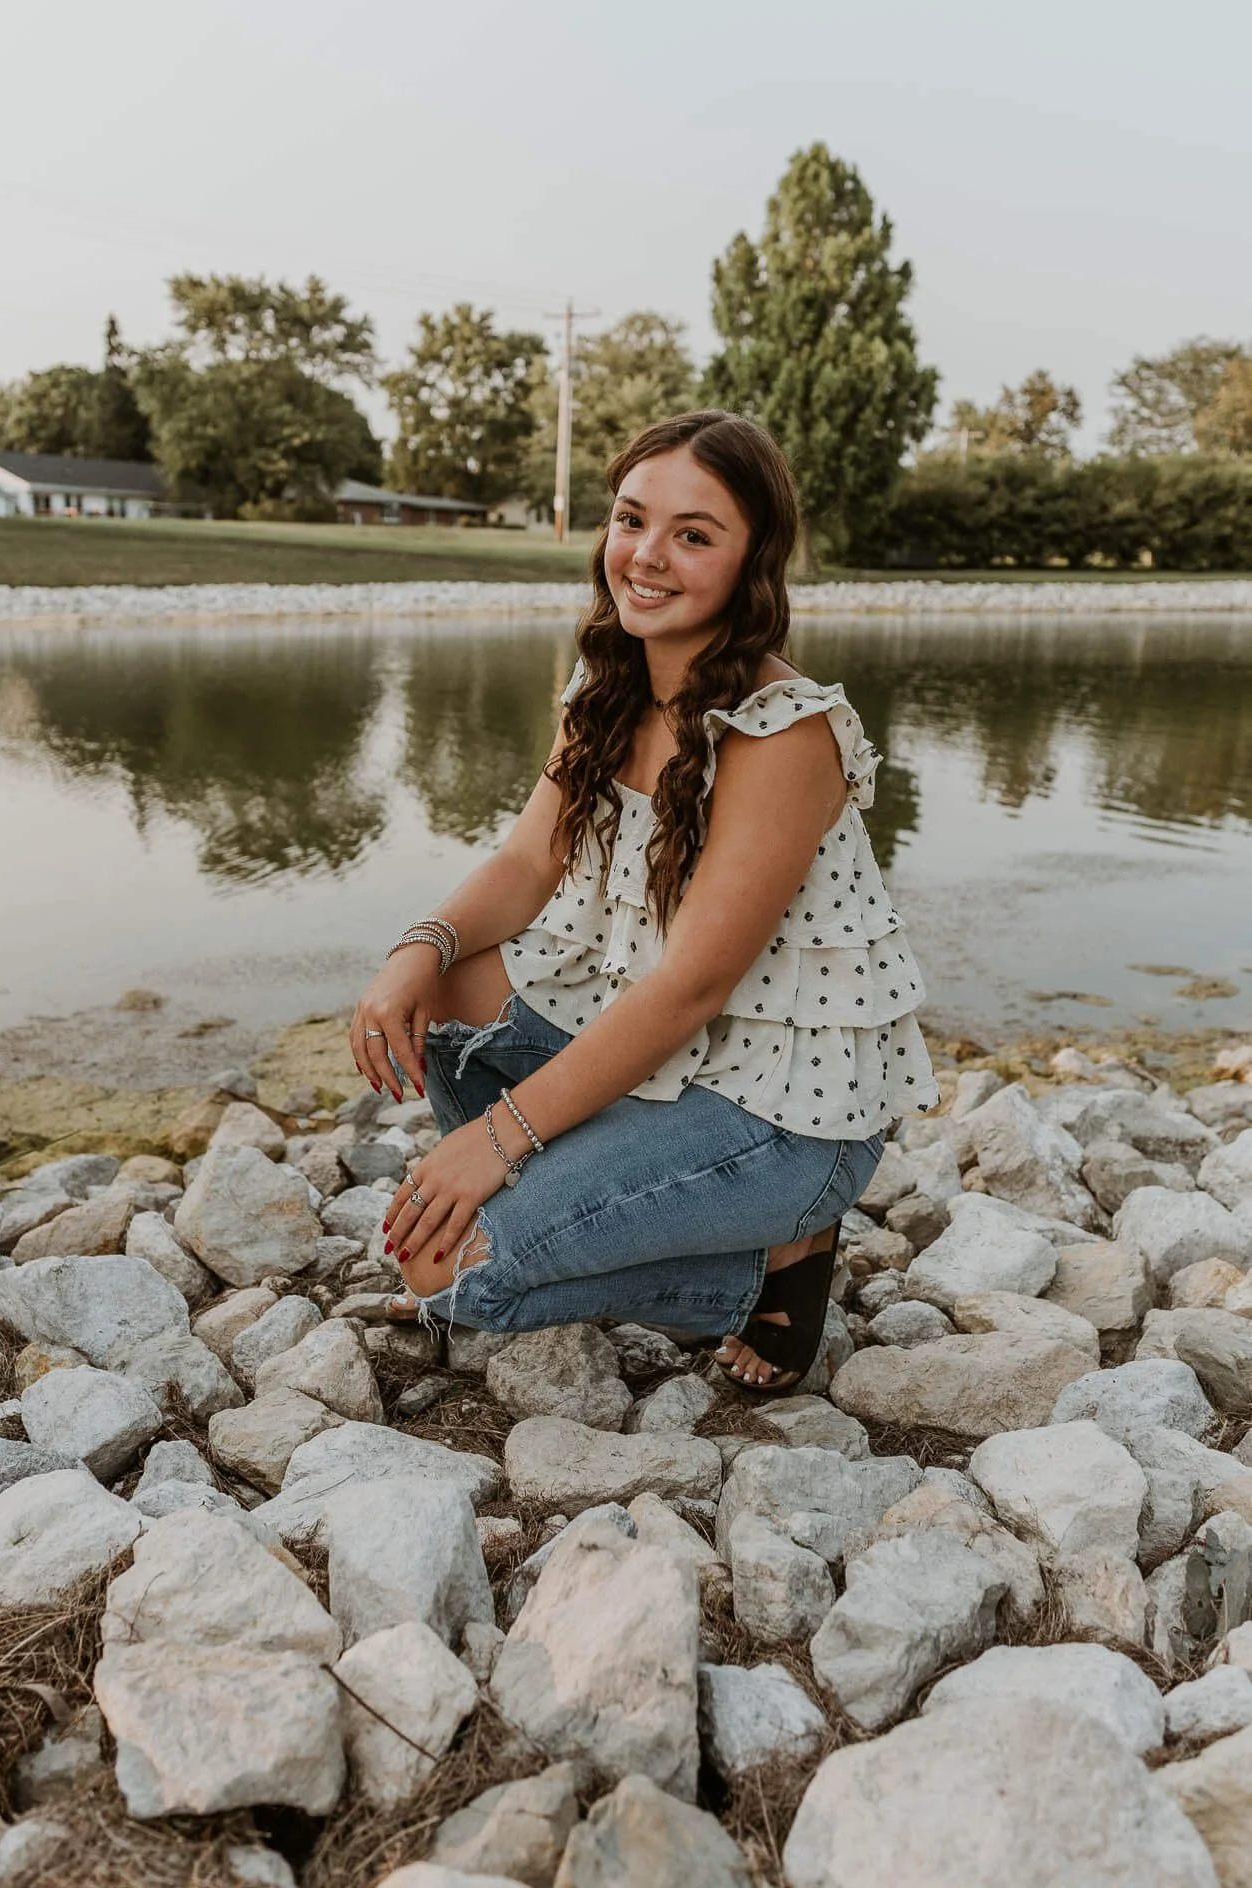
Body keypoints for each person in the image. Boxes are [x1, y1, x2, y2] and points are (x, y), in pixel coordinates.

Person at [350, 410, 938, 1390]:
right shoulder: (609, 679)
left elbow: (691, 985)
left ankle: (772, 1263)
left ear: (753, 562)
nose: (647, 555)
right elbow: (526, 862)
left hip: (783, 1108)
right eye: (632, 519)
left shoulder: (781, 731)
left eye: (693, 534)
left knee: (440, 1266)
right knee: (445, 993)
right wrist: (419, 945)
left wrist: (496, 1144)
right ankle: (620, 1200)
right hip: (667, 1050)